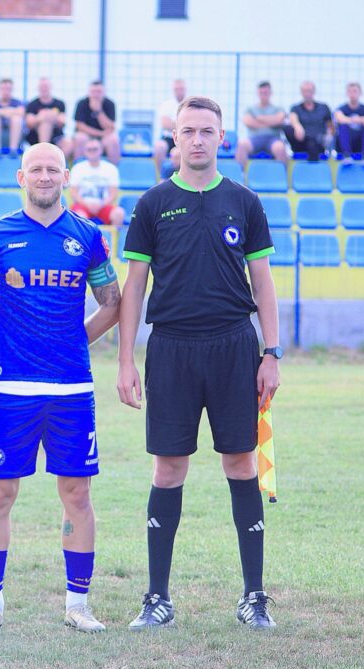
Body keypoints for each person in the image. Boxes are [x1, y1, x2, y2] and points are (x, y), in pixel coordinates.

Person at [117, 96, 280, 631]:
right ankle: (157, 598)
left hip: (235, 347)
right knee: (168, 467)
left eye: (207, 131)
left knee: (241, 464)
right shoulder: (153, 203)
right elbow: (134, 287)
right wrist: (126, 358)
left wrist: (271, 353)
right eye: (188, 131)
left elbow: (263, 282)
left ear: (221, 138)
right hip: (171, 349)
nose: (197, 140)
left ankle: (254, 596)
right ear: (174, 137)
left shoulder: (244, 201)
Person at [0, 142, 121, 634]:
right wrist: (4, 340)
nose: (45, 176)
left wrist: (74, 341)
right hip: (12, 388)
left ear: (66, 176)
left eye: (53, 169)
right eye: (36, 169)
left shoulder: (88, 236)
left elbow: (112, 303)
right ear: (21, 177)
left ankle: (78, 604)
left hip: (72, 388)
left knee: (77, 493)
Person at [69, 138, 125, 226]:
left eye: (95, 149)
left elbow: (113, 193)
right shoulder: (77, 168)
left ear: (101, 150)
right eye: (89, 149)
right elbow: (74, 193)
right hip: (82, 205)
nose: (92, 152)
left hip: (103, 205)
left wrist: (101, 204)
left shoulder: (111, 168)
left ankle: (114, 235)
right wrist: (87, 205)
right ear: (84, 151)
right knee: (79, 216)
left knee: (119, 213)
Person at [236, 81, 288, 165]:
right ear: (258, 93)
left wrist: (260, 118)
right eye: (261, 93)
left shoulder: (278, 108)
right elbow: (248, 122)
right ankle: (241, 172)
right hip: (254, 139)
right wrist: (271, 121)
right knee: (242, 144)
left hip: (273, 139)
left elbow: (279, 120)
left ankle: (281, 172)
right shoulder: (250, 109)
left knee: (280, 148)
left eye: (266, 92)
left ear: (270, 93)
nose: (263, 95)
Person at [24, 77, 72, 159]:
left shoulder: (60, 103)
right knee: (45, 124)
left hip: (56, 136)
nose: (44, 89)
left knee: (69, 143)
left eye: (46, 86)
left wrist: (48, 115)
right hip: (35, 138)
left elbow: (62, 122)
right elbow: (29, 123)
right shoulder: (32, 104)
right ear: (38, 88)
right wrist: (41, 117)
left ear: (51, 87)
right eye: (42, 87)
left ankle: (58, 162)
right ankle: (44, 154)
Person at [285, 81, 333, 162]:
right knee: (287, 128)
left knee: (313, 143)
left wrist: (329, 136)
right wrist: (297, 126)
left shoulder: (323, 107)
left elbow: (330, 126)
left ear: (314, 91)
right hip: (301, 140)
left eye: (309, 91)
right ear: (301, 92)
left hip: (318, 141)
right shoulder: (295, 108)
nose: (307, 93)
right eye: (305, 91)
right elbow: (293, 118)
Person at [73, 81, 119, 162]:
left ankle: (113, 168)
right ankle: (78, 166)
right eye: (93, 92)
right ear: (89, 92)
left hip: (104, 137)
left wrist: (98, 111)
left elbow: (110, 127)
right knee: (80, 138)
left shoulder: (110, 104)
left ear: (104, 92)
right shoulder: (82, 103)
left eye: (99, 92)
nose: (96, 95)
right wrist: (100, 133)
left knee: (113, 140)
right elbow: (80, 126)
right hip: (87, 135)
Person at [335, 82, 364, 160]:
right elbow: (340, 118)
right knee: (343, 126)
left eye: (355, 91)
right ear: (347, 93)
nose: (352, 94)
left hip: (360, 143)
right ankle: (347, 156)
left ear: (360, 93)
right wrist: (360, 120)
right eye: (350, 91)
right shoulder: (341, 108)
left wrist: (357, 119)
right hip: (346, 143)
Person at [153, 79, 187, 173]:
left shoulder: (190, 105)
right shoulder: (166, 105)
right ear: (173, 90)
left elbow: (192, 124)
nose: (179, 91)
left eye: (181, 89)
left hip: (183, 138)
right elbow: (165, 124)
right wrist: (183, 124)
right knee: (158, 146)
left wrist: (173, 123)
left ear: (185, 89)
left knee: (177, 153)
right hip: (168, 138)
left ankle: (181, 177)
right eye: (177, 89)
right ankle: (160, 175)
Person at [0, 78, 25, 158]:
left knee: (16, 119)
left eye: (8, 89)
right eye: (3, 89)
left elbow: (21, 113)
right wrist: (4, 111)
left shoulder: (17, 102)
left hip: (15, 135)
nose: (5, 92)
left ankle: (13, 150)